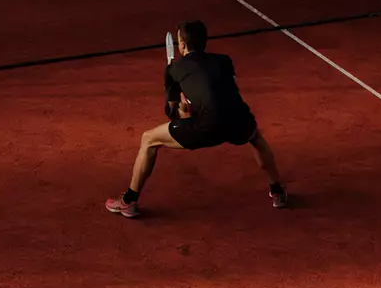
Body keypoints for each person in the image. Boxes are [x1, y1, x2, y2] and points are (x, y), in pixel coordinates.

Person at [106, 20, 287, 218]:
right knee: (257, 139)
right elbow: (225, 91)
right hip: (239, 119)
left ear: (182, 45)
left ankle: (129, 201)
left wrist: (183, 109)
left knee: (148, 139)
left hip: (207, 127)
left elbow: (174, 113)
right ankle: (277, 190)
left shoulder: (174, 70)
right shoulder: (224, 60)